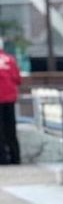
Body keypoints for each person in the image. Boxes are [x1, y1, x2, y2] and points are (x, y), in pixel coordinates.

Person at [0, 37, 22, 165]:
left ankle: (2, 158)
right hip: (10, 98)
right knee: (11, 129)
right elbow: (18, 79)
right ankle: (15, 157)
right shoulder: (10, 60)